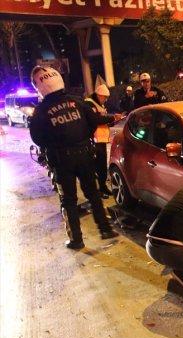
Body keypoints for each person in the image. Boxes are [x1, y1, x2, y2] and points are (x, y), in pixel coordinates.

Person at [28, 66, 118, 250]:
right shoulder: (78, 102)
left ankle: (76, 239)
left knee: (68, 200)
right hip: (84, 154)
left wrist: (55, 145)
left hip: (61, 160)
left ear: (39, 86)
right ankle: (105, 229)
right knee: (92, 193)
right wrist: (82, 139)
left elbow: (37, 138)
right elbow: (92, 122)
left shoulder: (41, 111)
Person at [84, 83, 124, 197]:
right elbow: (96, 119)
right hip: (93, 141)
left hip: (100, 141)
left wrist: (114, 121)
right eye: (104, 97)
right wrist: (112, 117)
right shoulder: (89, 104)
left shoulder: (98, 104)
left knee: (102, 167)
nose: (105, 100)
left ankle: (102, 187)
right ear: (99, 95)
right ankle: (97, 191)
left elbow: (104, 122)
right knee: (96, 167)